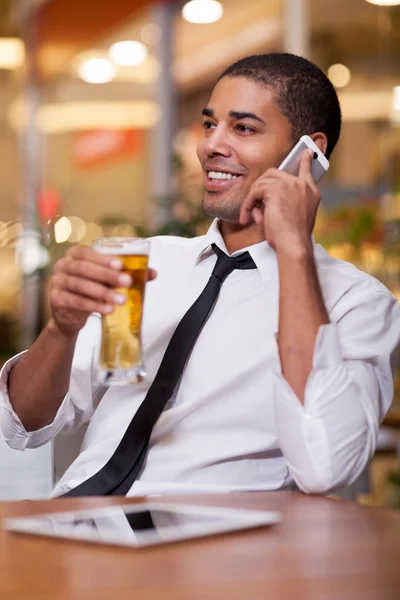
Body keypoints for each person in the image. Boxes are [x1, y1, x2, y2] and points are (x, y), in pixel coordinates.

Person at [1, 53, 399, 498]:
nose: (211, 145)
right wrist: (61, 328)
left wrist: (293, 252)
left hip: (205, 548)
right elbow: (24, 425)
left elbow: (326, 467)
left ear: (309, 152)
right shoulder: (146, 264)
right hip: (72, 525)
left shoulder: (355, 302)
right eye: (210, 124)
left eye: (243, 128)